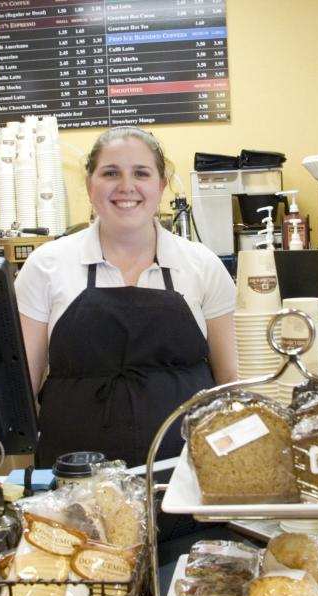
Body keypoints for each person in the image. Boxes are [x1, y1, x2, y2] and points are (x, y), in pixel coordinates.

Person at [14, 126, 237, 468]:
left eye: (141, 173)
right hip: (74, 480)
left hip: (185, 474)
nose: (126, 186)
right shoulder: (45, 266)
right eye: (111, 173)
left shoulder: (202, 265)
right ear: (90, 185)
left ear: (161, 186)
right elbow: (19, 390)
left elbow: (229, 383)